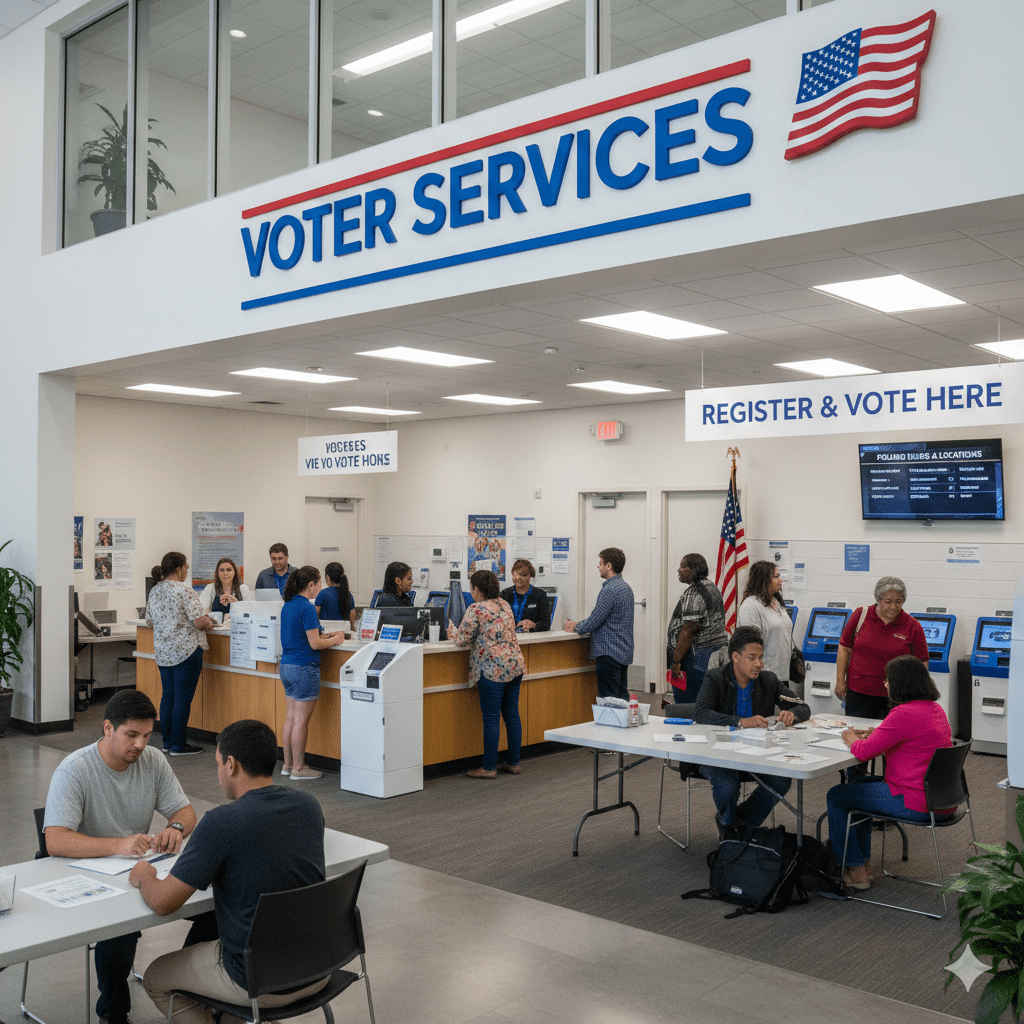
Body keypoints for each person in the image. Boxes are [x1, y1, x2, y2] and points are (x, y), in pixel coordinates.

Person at [130, 719, 327, 1024]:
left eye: (218, 763)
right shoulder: (308, 805)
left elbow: (163, 902)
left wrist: (144, 873)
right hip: (318, 967)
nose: (218, 772)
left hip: (256, 979)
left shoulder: (221, 822)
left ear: (232, 764)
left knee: (156, 977)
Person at [44, 690, 197, 1024]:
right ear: (108, 728)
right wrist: (119, 845)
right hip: (85, 874)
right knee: (120, 928)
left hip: (135, 870)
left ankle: (194, 990)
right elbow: (55, 841)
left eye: (145, 735)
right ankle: (113, 1014)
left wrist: (174, 827)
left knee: (213, 907)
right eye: (131, 735)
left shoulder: (153, 759)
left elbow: (185, 810)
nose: (140, 745)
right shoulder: (75, 770)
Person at [826, 655, 954, 890]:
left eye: (887, 679)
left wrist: (850, 737)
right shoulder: (934, 709)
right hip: (944, 799)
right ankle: (861, 865)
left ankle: (855, 870)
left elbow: (863, 753)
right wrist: (879, 731)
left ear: (900, 683)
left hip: (916, 801)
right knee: (860, 783)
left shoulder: (903, 714)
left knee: (837, 795)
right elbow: (907, 736)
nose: (884, 684)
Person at [695, 625, 810, 833]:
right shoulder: (716, 678)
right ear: (736, 657)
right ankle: (730, 826)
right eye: (752, 657)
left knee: (781, 780)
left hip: (757, 753)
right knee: (727, 788)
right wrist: (741, 721)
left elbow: (802, 706)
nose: (759, 664)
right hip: (718, 753)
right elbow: (701, 713)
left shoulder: (768, 681)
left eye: (761, 657)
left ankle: (739, 824)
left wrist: (792, 714)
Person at [448, 570, 526, 779]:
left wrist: (453, 632)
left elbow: (462, 640)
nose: (471, 592)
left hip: (492, 669)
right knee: (511, 715)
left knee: (491, 719)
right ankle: (514, 763)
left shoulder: (476, 609)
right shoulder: (504, 604)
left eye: (472, 588)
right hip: (514, 665)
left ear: (477, 589)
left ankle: (489, 767)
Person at [146, 551, 216, 755]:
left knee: (168, 697)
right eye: (185, 566)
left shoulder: (155, 590)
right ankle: (178, 744)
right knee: (182, 699)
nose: (187, 570)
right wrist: (209, 622)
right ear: (178, 569)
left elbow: (149, 621)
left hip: (164, 652)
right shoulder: (185, 591)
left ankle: (167, 742)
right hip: (186, 652)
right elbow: (199, 621)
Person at [279, 565, 345, 780]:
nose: (321, 587)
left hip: (287, 666)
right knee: (300, 722)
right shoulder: (307, 608)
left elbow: (304, 636)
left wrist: (326, 636)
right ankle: (299, 769)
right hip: (304, 668)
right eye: (318, 583)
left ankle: (288, 765)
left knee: (290, 718)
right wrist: (336, 639)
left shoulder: (288, 605)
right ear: (310, 585)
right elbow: (314, 644)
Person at [835, 575, 929, 721]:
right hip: (859, 692)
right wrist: (840, 680)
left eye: (898, 602)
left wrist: (918, 694)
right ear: (878, 599)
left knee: (889, 739)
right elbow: (844, 648)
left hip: (896, 696)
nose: (893, 607)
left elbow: (922, 662)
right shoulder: (861, 615)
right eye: (888, 601)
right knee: (858, 734)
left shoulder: (912, 626)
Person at [564, 547, 633, 700]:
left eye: (600, 563)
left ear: (609, 566)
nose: (598, 566)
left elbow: (594, 620)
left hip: (609, 653)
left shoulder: (610, 589)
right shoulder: (626, 588)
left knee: (609, 701)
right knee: (621, 698)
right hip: (622, 652)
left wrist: (575, 626)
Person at [667, 553, 728, 703]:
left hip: (696, 655)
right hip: (711, 652)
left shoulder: (696, 592)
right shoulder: (711, 587)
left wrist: (676, 661)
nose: (679, 570)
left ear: (694, 571)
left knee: (688, 700)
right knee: (707, 695)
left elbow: (689, 629)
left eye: (683, 566)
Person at [737, 560, 795, 686]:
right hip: (762, 675)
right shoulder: (751, 606)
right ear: (764, 580)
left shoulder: (775, 601)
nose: (781, 580)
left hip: (781, 674)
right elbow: (750, 644)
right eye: (776, 576)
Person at [500, 558, 551, 632]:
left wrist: (534, 625)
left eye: (522, 575)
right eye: (515, 574)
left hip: (531, 638)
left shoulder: (540, 595)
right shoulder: (505, 594)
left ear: (530, 575)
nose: (518, 578)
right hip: (508, 636)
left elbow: (546, 624)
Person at [315, 560, 356, 631]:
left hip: (326, 631)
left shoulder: (323, 593)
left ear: (327, 577)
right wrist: (352, 628)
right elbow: (352, 612)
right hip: (344, 631)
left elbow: (316, 612)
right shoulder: (347, 593)